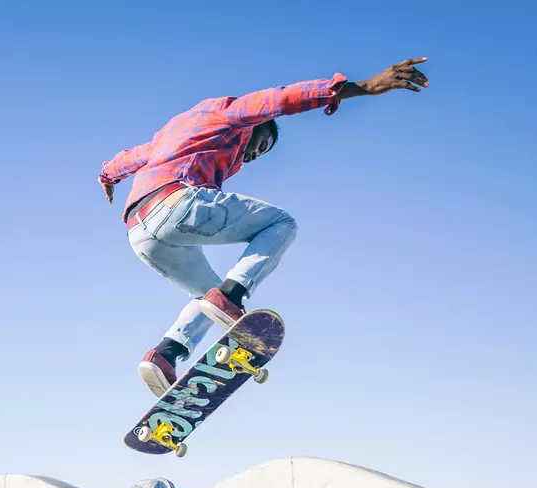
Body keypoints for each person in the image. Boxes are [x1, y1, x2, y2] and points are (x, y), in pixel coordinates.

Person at [99, 57, 430, 397]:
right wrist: (366, 87)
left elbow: (133, 157)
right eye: (261, 145)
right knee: (281, 223)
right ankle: (233, 295)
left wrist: (107, 175)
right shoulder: (229, 112)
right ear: (254, 126)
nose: (255, 155)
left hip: (139, 231)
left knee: (203, 296)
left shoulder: (170, 133)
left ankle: (166, 355)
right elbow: (279, 99)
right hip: (176, 203)